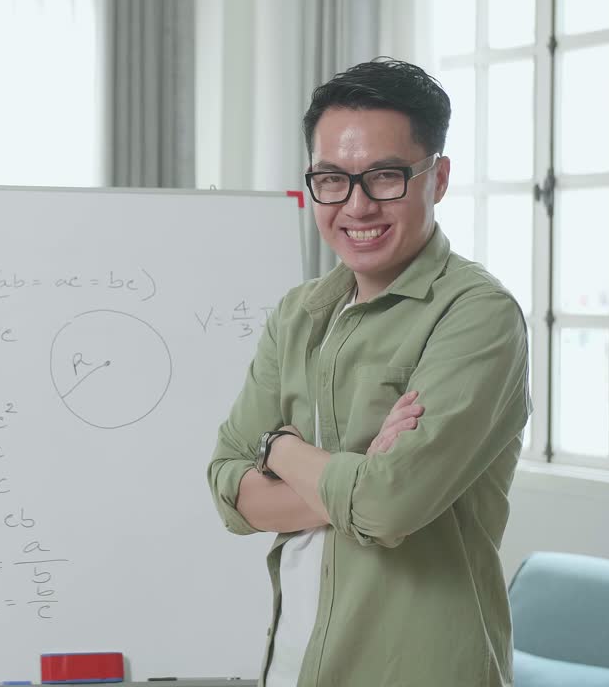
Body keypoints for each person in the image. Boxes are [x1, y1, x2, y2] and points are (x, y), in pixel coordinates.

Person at [207, 58, 531, 687]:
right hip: (293, 667)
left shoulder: (478, 316)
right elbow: (228, 489)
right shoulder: (297, 316)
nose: (356, 206)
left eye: (384, 177)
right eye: (331, 179)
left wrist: (281, 447)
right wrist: (354, 480)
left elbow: (387, 506)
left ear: (436, 178)